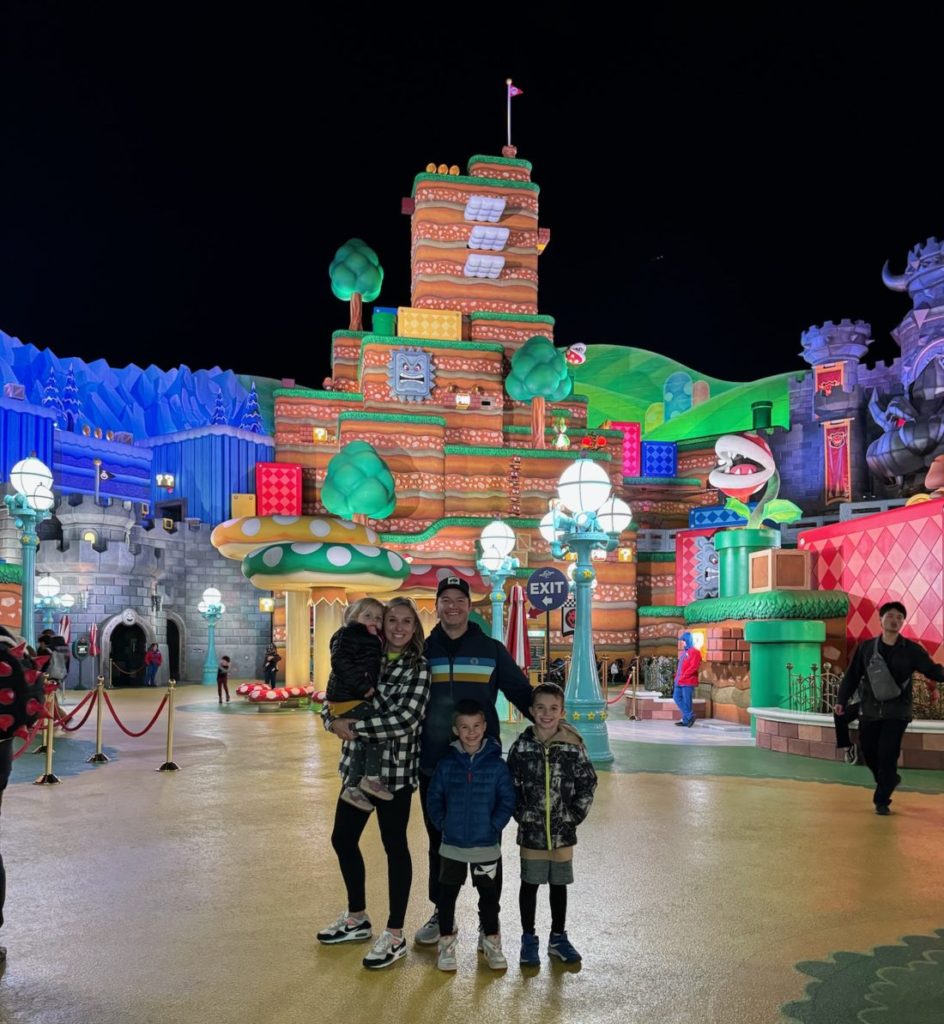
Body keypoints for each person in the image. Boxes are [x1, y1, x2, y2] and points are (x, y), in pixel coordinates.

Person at [414, 574, 534, 947]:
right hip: (435, 763)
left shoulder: (491, 650)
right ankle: (441, 912)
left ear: (469, 606)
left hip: (484, 766)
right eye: (445, 599)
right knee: (439, 842)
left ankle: (489, 922)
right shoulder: (422, 651)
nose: (453, 606)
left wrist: (551, 723)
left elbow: (520, 692)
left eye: (459, 600)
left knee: (486, 846)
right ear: (437, 606)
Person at [318, 597, 430, 970]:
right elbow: (335, 692)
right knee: (343, 839)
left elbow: (406, 720)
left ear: (415, 628)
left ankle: (395, 932)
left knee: (395, 846)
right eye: (391, 620)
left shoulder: (419, 668)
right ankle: (357, 917)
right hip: (357, 771)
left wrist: (355, 726)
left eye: (406, 622)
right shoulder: (366, 655)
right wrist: (331, 721)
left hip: (394, 775)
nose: (398, 627)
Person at [507, 682, 598, 966]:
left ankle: (558, 937)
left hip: (562, 833)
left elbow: (588, 782)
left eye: (553, 709)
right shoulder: (521, 746)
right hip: (531, 832)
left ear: (562, 711)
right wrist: (522, 814)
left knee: (559, 885)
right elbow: (509, 786)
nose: (547, 714)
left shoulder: (573, 745)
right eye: (541, 708)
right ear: (531, 711)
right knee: (529, 884)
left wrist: (573, 816)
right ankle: (528, 938)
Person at [426, 699, 516, 971]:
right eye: (464, 727)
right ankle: (446, 945)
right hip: (452, 846)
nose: (471, 732)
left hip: (486, 846)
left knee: (489, 898)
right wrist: (444, 824)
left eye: (476, 726)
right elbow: (434, 798)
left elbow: (507, 799)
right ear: (456, 730)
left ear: (485, 727)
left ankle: (490, 941)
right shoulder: (446, 764)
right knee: (447, 897)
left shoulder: (497, 765)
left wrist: (494, 826)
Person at [834, 600, 944, 815]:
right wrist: (841, 700)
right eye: (890, 616)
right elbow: (852, 676)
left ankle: (881, 799)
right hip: (870, 710)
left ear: (903, 622)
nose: (895, 620)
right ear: (881, 619)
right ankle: (889, 780)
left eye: (899, 617)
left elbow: (932, 670)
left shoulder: (911, 650)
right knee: (868, 752)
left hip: (897, 712)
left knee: (887, 753)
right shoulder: (866, 648)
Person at [323, 597, 389, 810]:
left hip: (349, 696)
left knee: (362, 741)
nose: (373, 620)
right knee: (376, 730)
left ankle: (353, 787)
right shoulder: (349, 634)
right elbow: (340, 662)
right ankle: (370, 776)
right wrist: (364, 687)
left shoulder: (373, 639)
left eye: (378, 618)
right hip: (349, 697)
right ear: (353, 617)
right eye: (367, 615)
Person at [673, 631, 701, 728]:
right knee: (676, 697)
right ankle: (689, 716)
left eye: (683, 641)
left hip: (687, 680)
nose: (682, 643)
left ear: (688, 640)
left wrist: (684, 675)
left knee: (686, 700)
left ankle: (686, 720)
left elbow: (694, 666)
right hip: (679, 680)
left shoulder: (695, 652)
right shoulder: (684, 653)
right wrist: (677, 677)